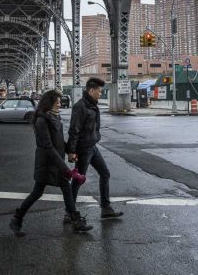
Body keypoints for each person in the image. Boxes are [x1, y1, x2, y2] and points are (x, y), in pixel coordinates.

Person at [10, 89, 92, 236]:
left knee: (66, 189)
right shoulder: (42, 120)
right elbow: (47, 146)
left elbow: (59, 142)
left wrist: (70, 152)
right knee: (37, 193)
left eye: (60, 102)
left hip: (57, 163)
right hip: (47, 164)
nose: (60, 105)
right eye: (58, 102)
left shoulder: (54, 117)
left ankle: (75, 221)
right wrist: (66, 168)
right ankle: (17, 219)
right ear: (50, 103)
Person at [66, 77, 124, 221]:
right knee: (78, 180)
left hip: (92, 146)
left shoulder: (91, 104)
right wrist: (72, 151)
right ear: (91, 90)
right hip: (83, 149)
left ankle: (106, 208)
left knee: (105, 173)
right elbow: (74, 130)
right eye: (99, 91)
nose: (100, 94)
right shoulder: (81, 106)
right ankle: (69, 212)